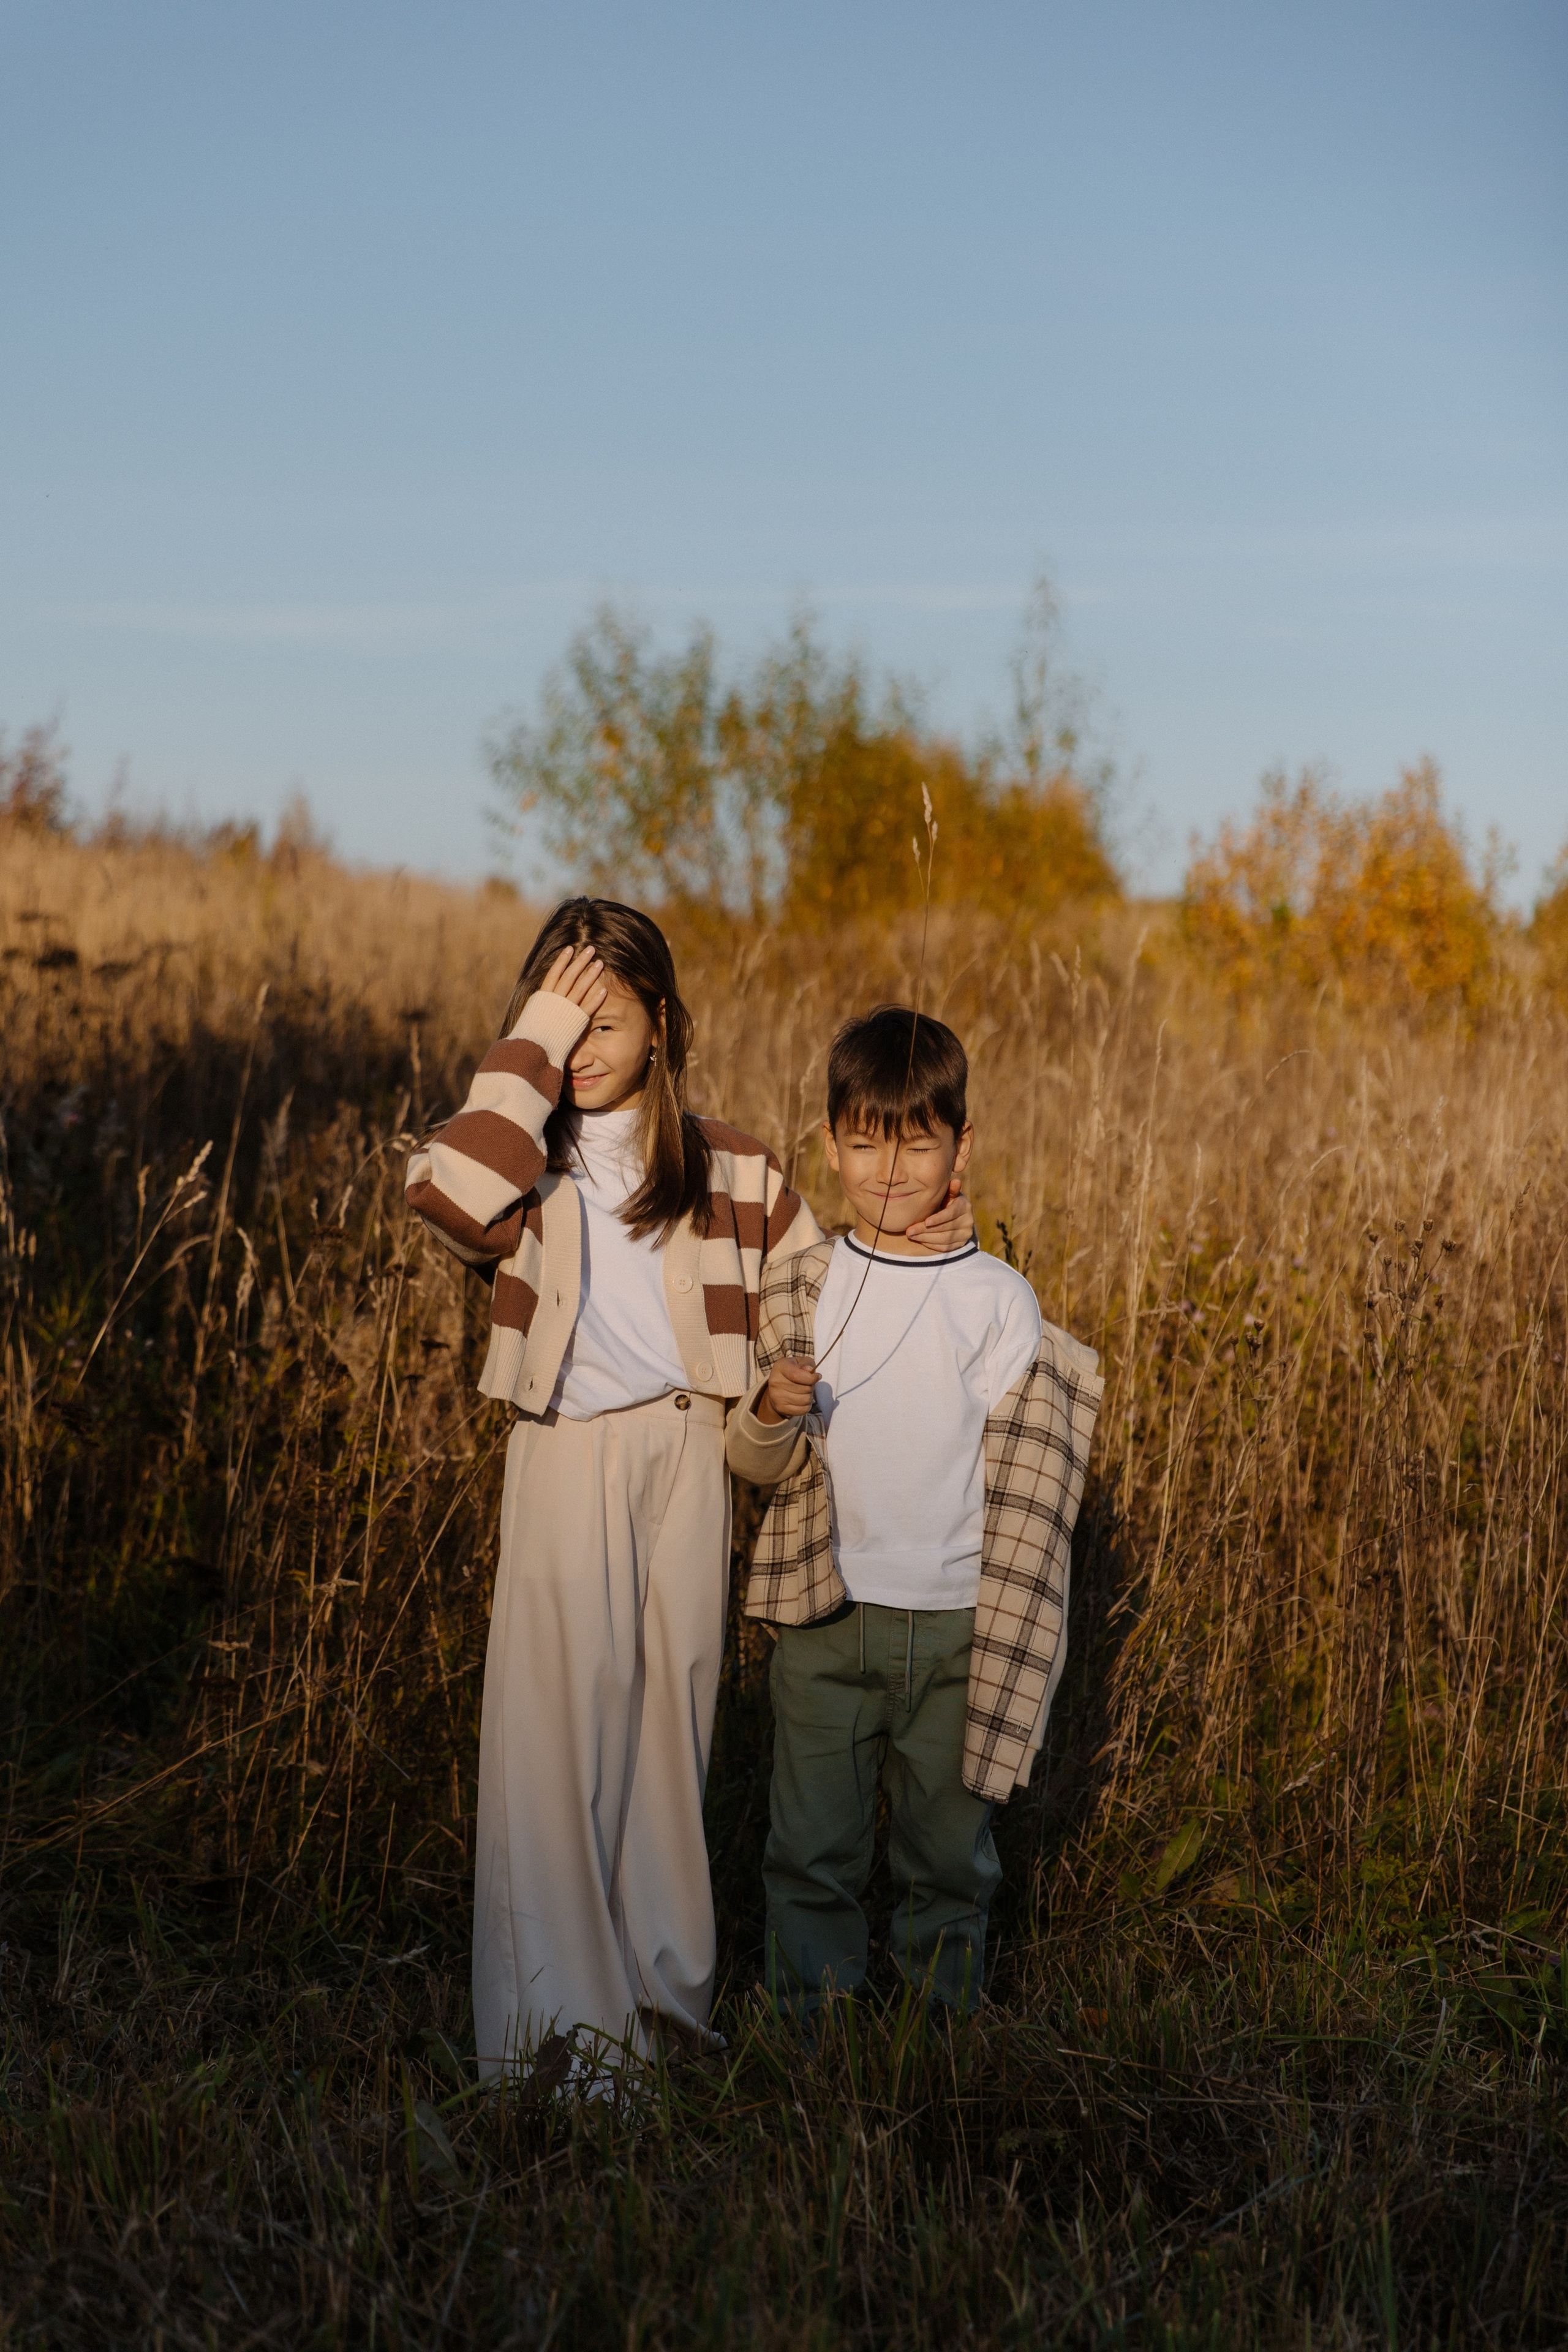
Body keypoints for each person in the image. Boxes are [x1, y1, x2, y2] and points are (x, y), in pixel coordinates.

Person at [404, 900, 973, 2078]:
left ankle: (663, 2020)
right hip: (568, 1452)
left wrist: (924, 1245)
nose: (584, 1048)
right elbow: (446, 1195)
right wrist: (537, 1035)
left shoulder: (733, 1170)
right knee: (554, 1750)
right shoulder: (520, 1163)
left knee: (670, 1743)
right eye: (562, 1021)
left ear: (663, 1025)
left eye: (610, 1019)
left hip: (694, 1462)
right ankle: (556, 2050)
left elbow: (837, 1299)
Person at [726, 1004, 1103, 2014]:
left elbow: (1025, 1473)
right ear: (830, 1141)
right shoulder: (800, 1284)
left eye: (916, 1144)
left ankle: (941, 2038)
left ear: (960, 1146)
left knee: (949, 1856)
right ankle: (811, 2038)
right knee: (812, 1849)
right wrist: (769, 1406)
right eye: (862, 1143)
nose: (888, 1172)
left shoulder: (998, 1300)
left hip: (955, 1627)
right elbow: (752, 1462)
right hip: (824, 1621)